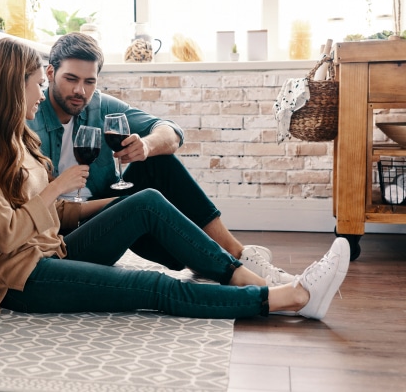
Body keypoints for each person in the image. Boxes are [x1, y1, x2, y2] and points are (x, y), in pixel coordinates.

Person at [0, 36, 350, 321]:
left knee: (147, 200)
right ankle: (288, 298)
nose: (41, 94)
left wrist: (120, 206)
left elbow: (55, 213)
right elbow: (5, 236)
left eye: (42, 84)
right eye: (38, 84)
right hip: (22, 279)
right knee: (152, 288)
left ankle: (244, 273)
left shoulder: (20, 138)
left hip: (54, 252)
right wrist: (58, 185)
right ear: (12, 85)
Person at [27, 32, 292, 285]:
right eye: (71, 79)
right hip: (63, 236)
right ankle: (221, 262)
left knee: (157, 162)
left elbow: (171, 131)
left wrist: (146, 145)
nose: (80, 91)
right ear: (50, 73)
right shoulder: (29, 116)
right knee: (157, 218)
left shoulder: (99, 105)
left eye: (89, 81)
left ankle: (235, 253)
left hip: (104, 214)